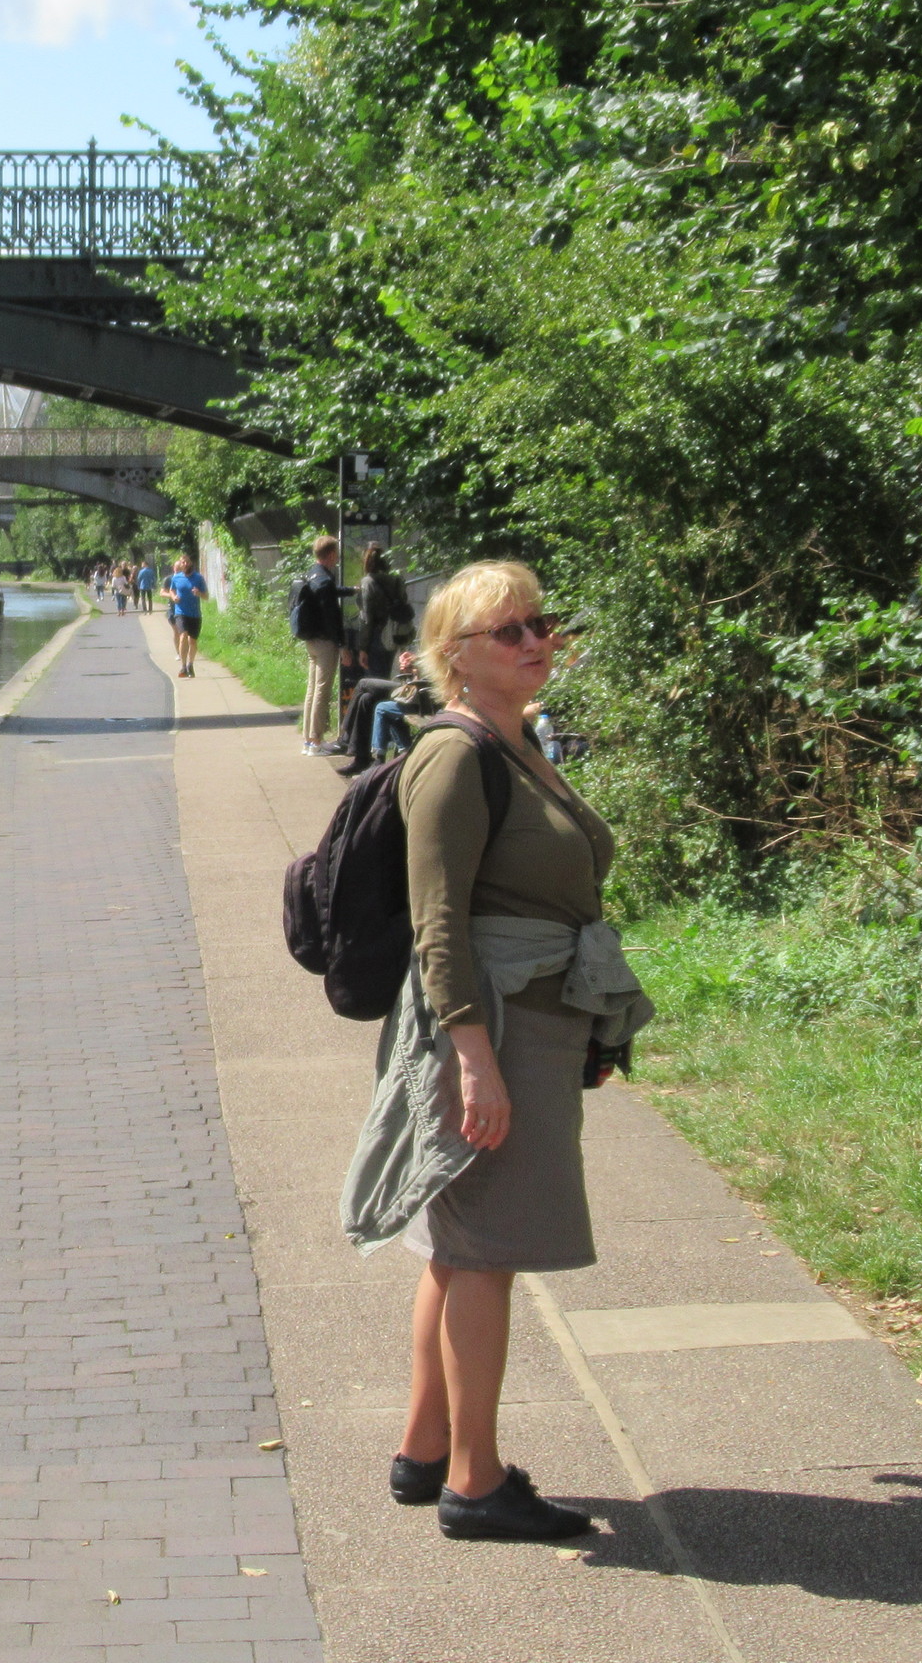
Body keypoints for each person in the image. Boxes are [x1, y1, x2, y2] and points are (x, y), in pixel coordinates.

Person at [340, 560, 649, 1542]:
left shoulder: (517, 743)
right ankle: (476, 1483)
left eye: (540, 624)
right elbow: (439, 923)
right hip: (493, 1029)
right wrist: (473, 1056)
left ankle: (427, 1448)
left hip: (534, 1022)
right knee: (486, 1252)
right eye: (508, 631)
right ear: (455, 656)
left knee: (459, 1245)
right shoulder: (455, 755)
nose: (534, 641)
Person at [289, 534, 354, 756]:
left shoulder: (312, 573)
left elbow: (328, 592)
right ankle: (316, 741)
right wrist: (342, 646)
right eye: (337, 553)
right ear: (332, 554)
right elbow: (332, 617)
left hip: (311, 640)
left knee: (312, 690)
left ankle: (308, 741)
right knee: (322, 692)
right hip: (326, 642)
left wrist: (352, 590)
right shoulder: (325, 580)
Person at [354, 543, 414, 678]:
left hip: (377, 636)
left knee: (374, 680)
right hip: (395, 633)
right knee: (386, 676)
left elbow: (366, 619)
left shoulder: (368, 582)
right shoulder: (397, 580)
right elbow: (403, 602)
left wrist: (363, 648)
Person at [164, 554, 208, 677]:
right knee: (183, 636)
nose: (185, 564)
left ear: (190, 563)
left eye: (187, 562)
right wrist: (174, 597)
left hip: (195, 613)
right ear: (180, 564)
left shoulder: (198, 578)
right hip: (180, 612)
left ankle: (190, 665)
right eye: (183, 562)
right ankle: (183, 666)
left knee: (192, 641)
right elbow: (172, 590)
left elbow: (206, 596)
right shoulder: (176, 578)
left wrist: (199, 593)